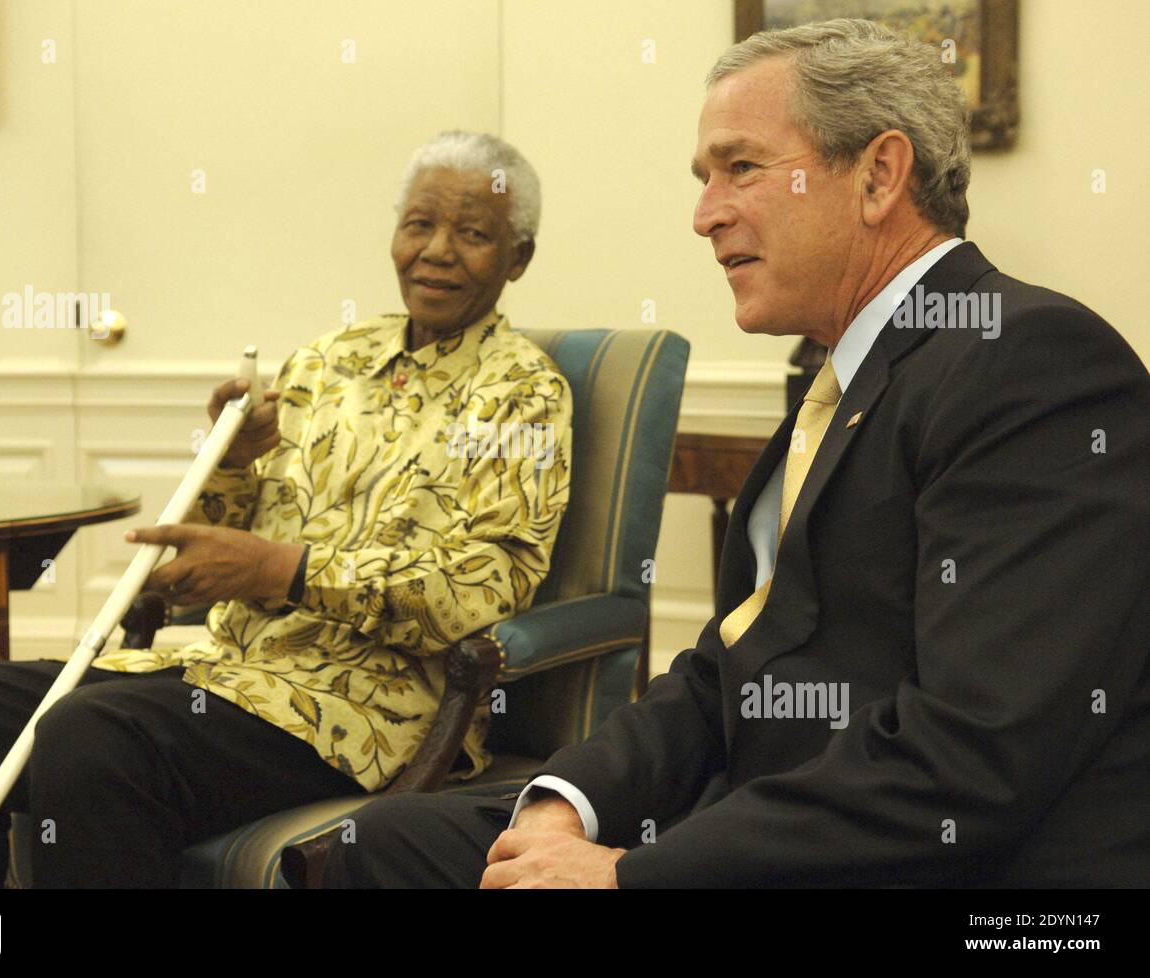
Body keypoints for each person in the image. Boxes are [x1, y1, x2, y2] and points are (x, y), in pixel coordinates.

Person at [322, 19, 1150, 889]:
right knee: (386, 845)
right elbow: (732, 665)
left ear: (878, 175)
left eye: (740, 168)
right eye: (703, 178)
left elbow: (973, 753)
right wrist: (570, 800)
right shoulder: (853, 373)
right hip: (762, 814)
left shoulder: (1031, 363)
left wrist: (630, 876)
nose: (704, 214)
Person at [0, 130, 572, 888]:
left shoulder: (524, 396)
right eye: (418, 225)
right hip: (221, 671)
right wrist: (231, 464)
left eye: (472, 234)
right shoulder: (328, 360)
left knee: (92, 736)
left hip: (362, 709)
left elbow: (480, 594)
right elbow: (234, 536)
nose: (436, 251)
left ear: (519, 257)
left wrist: (283, 572)